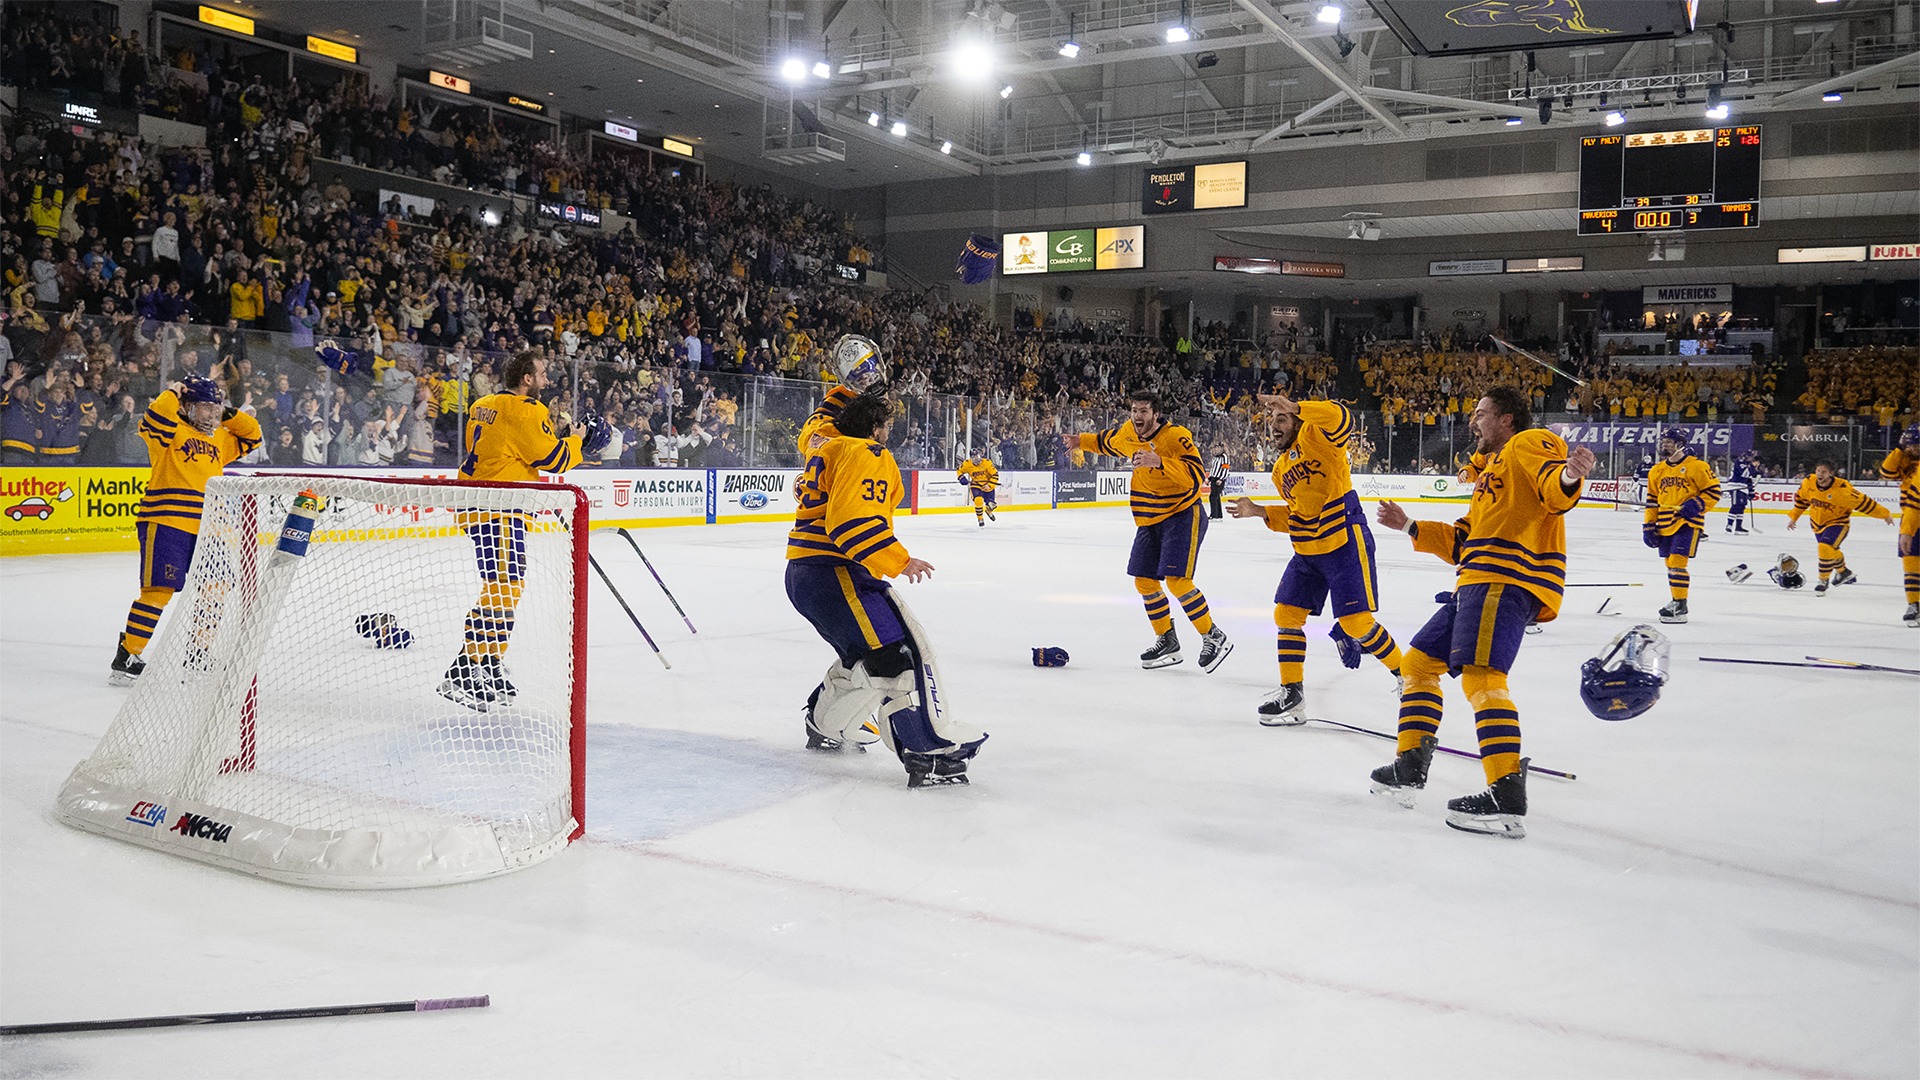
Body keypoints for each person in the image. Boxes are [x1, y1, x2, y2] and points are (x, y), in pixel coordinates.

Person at [1371, 388, 1594, 837]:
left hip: (1503, 578)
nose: (1473, 420)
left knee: (1482, 676)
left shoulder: (1527, 443)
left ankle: (1505, 795)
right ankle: (1410, 765)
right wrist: (1411, 526)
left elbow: (1554, 489)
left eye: (1481, 413)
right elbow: (1462, 543)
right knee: (1417, 664)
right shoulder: (1492, 472)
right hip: (1476, 580)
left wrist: (1570, 477)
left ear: (1508, 418)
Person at [785, 392, 986, 787]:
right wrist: (898, 560)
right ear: (875, 428)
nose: (888, 435)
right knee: (898, 656)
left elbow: (814, 424)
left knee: (862, 655)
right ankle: (925, 753)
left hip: (804, 574)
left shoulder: (823, 441)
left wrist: (843, 392)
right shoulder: (867, 452)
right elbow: (849, 524)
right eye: (886, 427)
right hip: (838, 572)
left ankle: (826, 725)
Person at [441, 349, 606, 709]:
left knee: (505, 586)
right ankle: (464, 668)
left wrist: (557, 434)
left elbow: (516, 447)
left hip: (479, 504)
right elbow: (554, 460)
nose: (547, 380)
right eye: (542, 374)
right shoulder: (527, 410)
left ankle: (489, 662)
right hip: (498, 510)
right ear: (527, 379)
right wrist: (578, 440)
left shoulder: (483, 403)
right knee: (504, 586)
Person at [1228, 391, 1402, 725]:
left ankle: (1409, 677)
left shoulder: (1316, 436)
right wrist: (1259, 511)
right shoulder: (1280, 470)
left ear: (1297, 420)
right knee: (1286, 613)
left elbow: (1342, 417)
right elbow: (1298, 514)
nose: (1275, 426)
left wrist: (1296, 407)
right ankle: (1292, 695)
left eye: (1282, 419)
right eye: (1272, 420)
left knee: (1357, 623)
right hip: (1308, 551)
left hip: (1343, 543)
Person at [110, 375, 263, 684]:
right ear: (186, 406)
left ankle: (198, 652)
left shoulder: (220, 437)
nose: (211, 415)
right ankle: (127, 655)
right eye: (204, 408)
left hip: (209, 528)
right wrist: (171, 392)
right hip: (167, 523)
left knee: (217, 586)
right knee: (158, 591)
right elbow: (156, 418)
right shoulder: (167, 432)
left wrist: (226, 410)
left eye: (214, 409)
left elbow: (253, 435)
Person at [1070, 391, 1231, 672]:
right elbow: (1107, 442)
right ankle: (1167, 639)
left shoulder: (1175, 436)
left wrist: (1159, 462)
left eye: (1143, 411)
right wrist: (1079, 442)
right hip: (1149, 518)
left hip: (1182, 513)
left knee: (1177, 581)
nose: (1137, 416)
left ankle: (1213, 636)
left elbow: (1196, 475)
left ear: (1155, 414)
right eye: (1134, 410)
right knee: (1144, 581)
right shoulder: (1128, 432)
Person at [1643, 428, 1721, 624]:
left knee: (1678, 562)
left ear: (1681, 444)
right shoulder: (1657, 470)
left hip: (1687, 522)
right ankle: (1676, 600)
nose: (1665, 444)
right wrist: (1649, 525)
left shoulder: (1697, 466)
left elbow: (1713, 492)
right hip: (1664, 522)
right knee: (1669, 564)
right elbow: (1652, 499)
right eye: (1664, 441)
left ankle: (1680, 604)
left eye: (1670, 441)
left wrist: (1696, 505)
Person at [1787, 460, 1893, 595]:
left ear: (1831, 473)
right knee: (1830, 551)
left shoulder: (1843, 489)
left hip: (1838, 523)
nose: (1820, 474)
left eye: (1824, 472)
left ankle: (1822, 581)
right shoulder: (1808, 482)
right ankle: (1843, 572)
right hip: (1817, 524)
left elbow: (1864, 503)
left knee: (1824, 547)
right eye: (1818, 471)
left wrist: (1884, 514)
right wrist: (1794, 517)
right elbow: (1801, 501)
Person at [1877, 424, 1920, 627]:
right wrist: (1899, 449)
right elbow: (1886, 472)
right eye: (1910, 445)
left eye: (1917, 445)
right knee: (1910, 562)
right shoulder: (1905, 458)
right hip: (1911, 515)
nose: (1914, 449)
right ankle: (1913, 604)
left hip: (1913, 513)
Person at [957, 449, 999, 527]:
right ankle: (980, 519)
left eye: (977, 456)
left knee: (991, 505)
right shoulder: (967, 464)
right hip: (976, 485)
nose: (976, 458)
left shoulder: (987, 462)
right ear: (970, 458)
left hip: (987, 485)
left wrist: (989, 485)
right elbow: (959, 471)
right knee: (978, 500)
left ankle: (988, 511)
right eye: (973, 457)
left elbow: (995, 475)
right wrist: (961, 478)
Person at [1725, 450, 1759, 534]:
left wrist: (1751, 492)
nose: (1752, 459)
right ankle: (1729, 526)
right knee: (1736, 505)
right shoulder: (1740, 462)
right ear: (1746, 456)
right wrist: (1754, 468)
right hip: (1735, 486)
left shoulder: (1747, 464)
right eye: (1751, 457)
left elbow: (1748, 479)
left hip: (1743, 487)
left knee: (1741, 506)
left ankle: (1738, 527)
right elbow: (1745, 473)